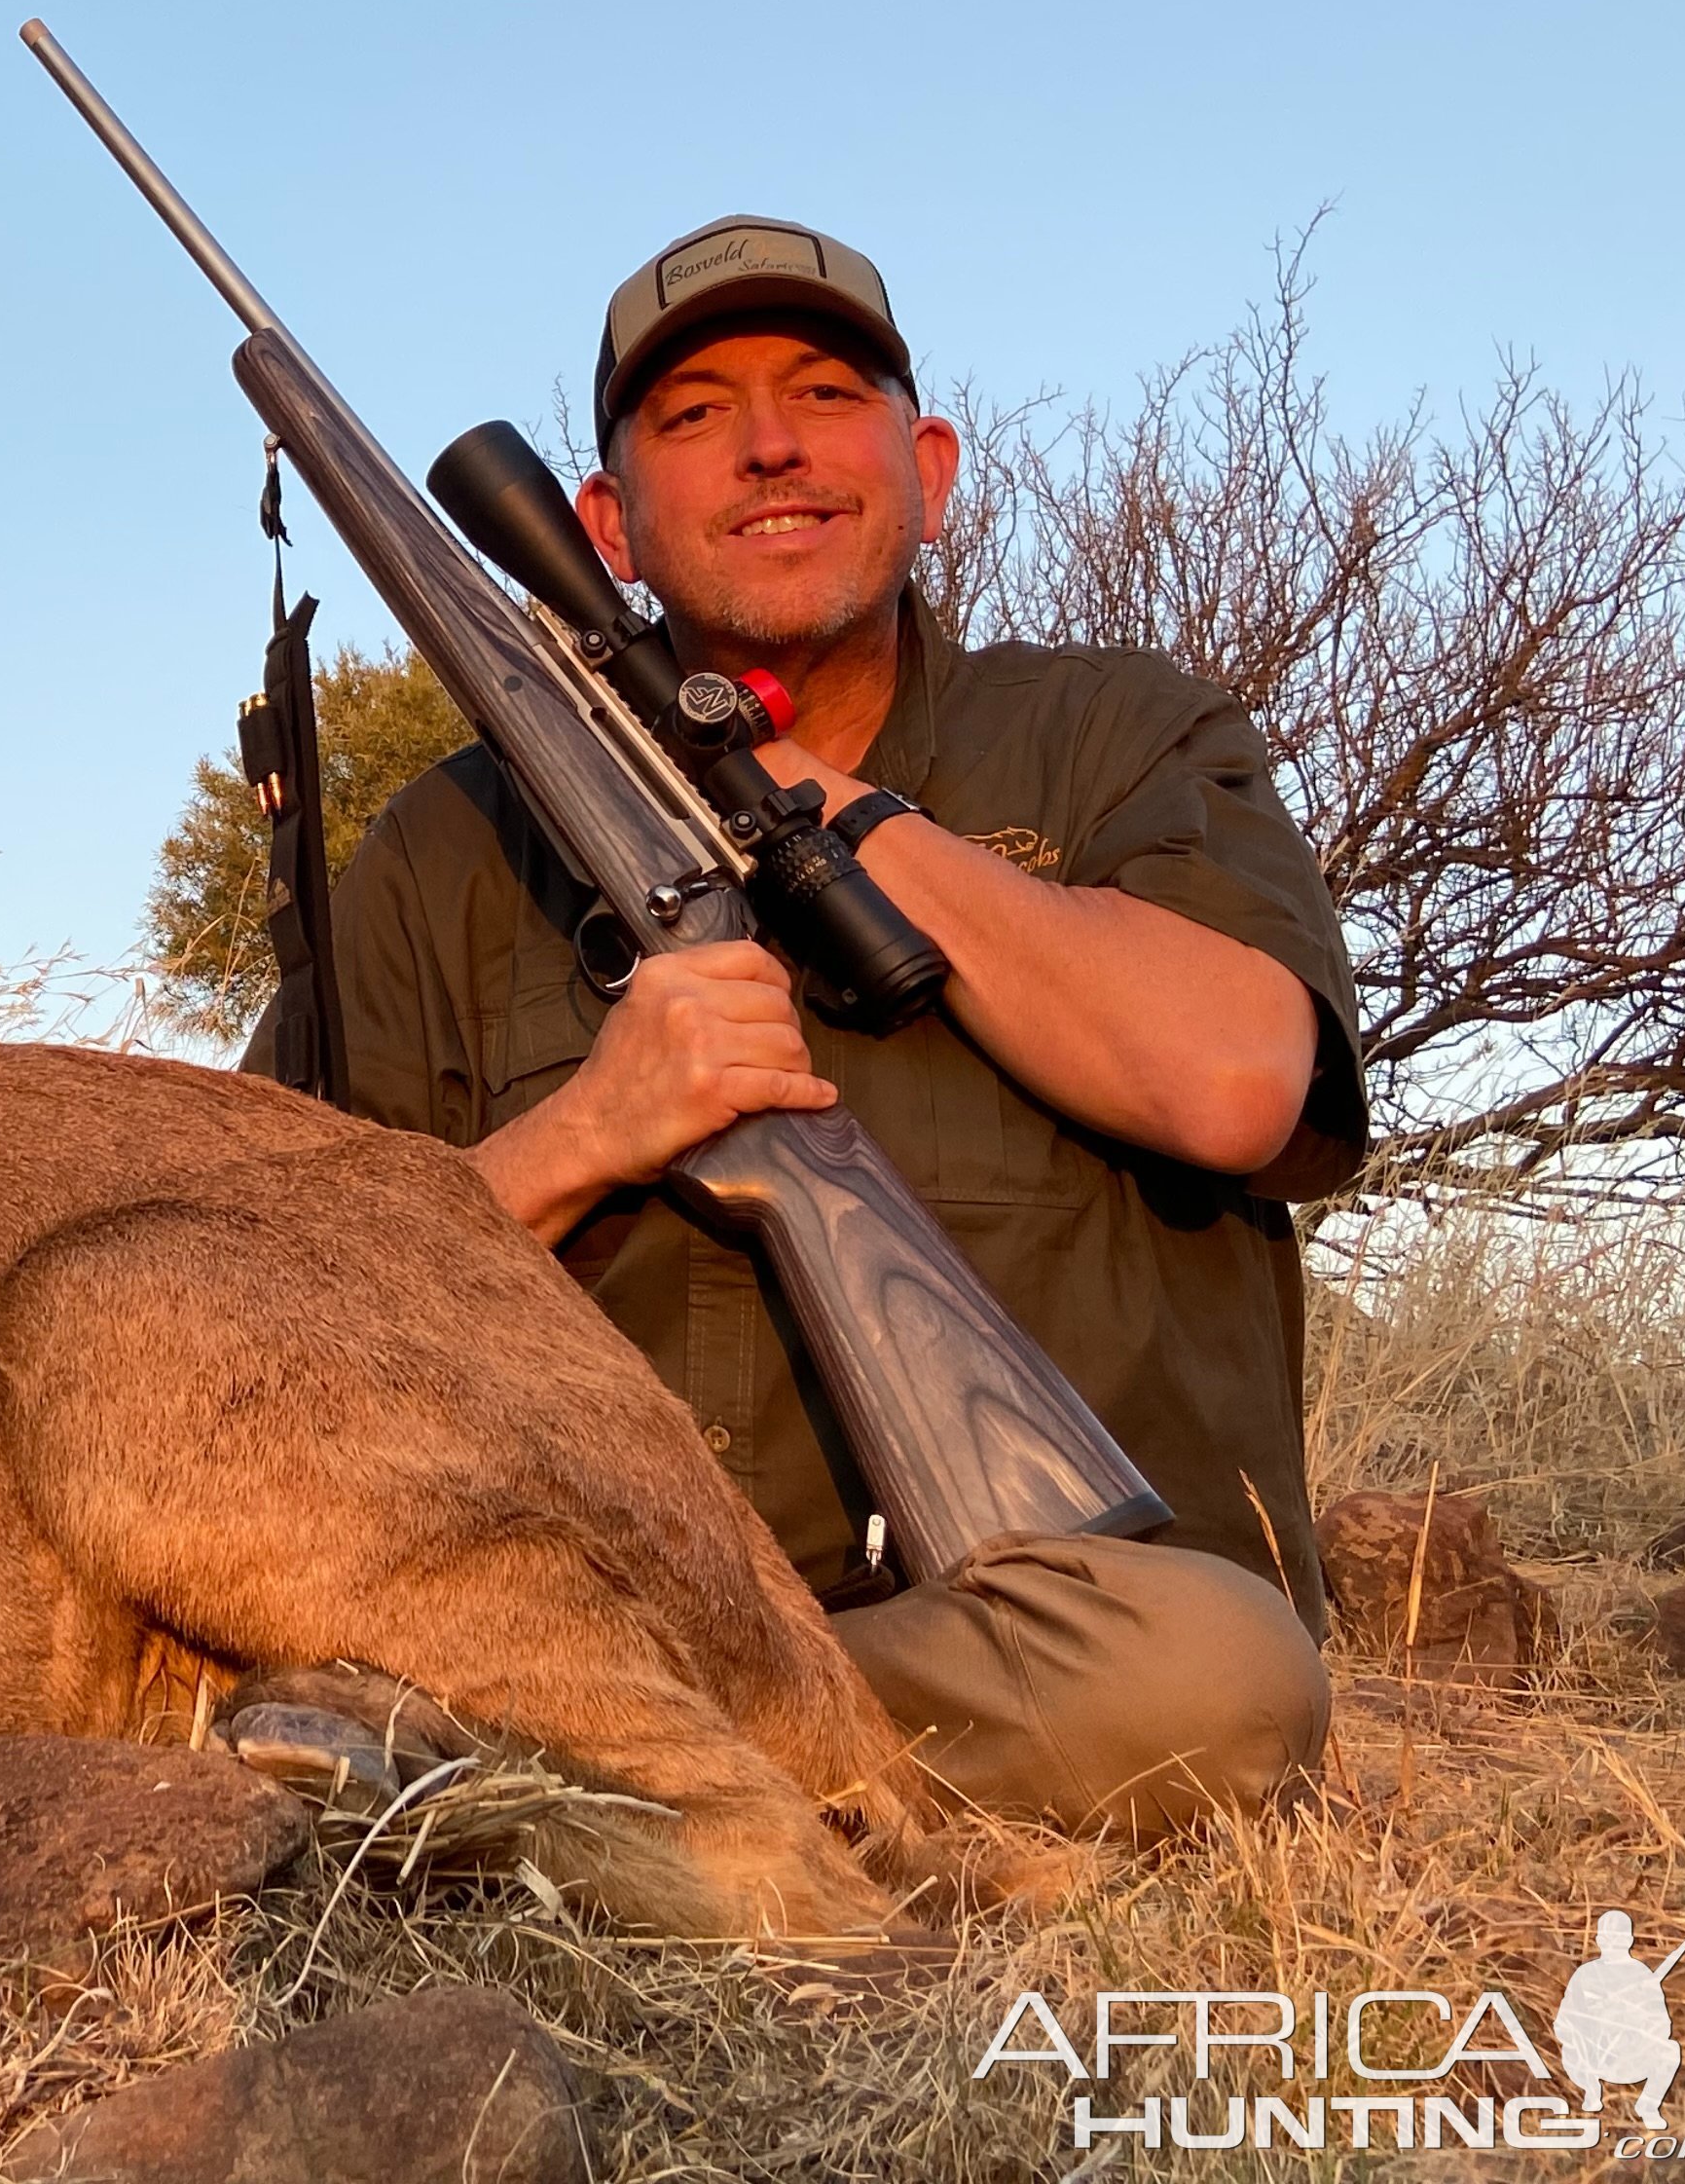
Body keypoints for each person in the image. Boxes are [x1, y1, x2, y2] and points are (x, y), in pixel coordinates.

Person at [276, 218, 1360, 1833]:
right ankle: (659, 1784)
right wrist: (584, 1133)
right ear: (601, 524)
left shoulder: (1116, 732)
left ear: (926, 465)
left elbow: (1231, 1082)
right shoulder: (444, 847)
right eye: (694, 412)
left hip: (1054, 1642)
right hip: (594, 1613)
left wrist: (807, 808)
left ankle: (548, 1787)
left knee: (1208, 1679)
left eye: (824, 393)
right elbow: (274, 1302)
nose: (770, 441)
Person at [1556, 1910, 1685, 2128]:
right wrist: (1590, 2029)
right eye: (1608, 1938)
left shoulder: (1642, 1975)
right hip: (1593, 2058)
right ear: (1598, 1940)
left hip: (1632, 2057)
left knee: (1670, 2050)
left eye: (1620, 1938)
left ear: (1630, 1940)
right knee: (1570, 2049)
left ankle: (1648, 2105)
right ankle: (1591, 2091)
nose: (1613, 1944)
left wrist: (1635, 2023)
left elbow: (1662, 2024)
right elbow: (1564, 2021)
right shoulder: (1586, 1974)